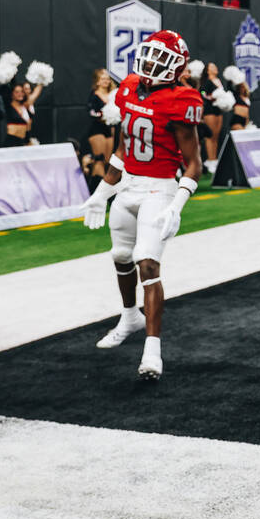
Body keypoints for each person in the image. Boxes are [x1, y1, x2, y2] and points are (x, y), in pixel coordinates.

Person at [80, 31, 203, 380]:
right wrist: (102, 192)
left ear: (176, 67)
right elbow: (122, 150)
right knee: (120, 257)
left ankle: (152, 351)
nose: (150, 64)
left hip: (159, 189)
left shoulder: (182, 99)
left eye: (160, 60)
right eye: (148, 56)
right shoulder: (130, 87)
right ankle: (129, 316)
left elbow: (194, 162)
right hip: (129, 186)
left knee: (147, 264)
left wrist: (177, 204)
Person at [86, 68, 117, 179]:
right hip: (97, 130)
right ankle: (96, 188)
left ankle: (101, 187)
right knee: (99, 159)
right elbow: (91, 112)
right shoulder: (94, 95)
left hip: (110, 130)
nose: (106, 81)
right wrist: (104, 116)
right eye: (103, 79)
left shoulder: (113, 94)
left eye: (107, 79)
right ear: (97, 81)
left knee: (107, 162)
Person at [200, 62, 225, 169]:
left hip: (218, 109)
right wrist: (211, 97)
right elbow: (201, 92)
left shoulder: (218, 81)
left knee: (216, 136)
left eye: (215, 66)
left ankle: (214, 159)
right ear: (207, 70)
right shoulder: (206, 81)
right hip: (209, 110)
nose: (215, 68)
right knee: (210, 136)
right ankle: (210, 160)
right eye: (212, 67)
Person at [5, 80, 45, 147]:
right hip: (12, 141)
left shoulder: (25, 105)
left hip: (24, 140)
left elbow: (35, 94)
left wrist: (42, 80)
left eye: (22, 92)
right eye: (17, 92)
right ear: (12, 94)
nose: (20, 94)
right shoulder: (9, 106)